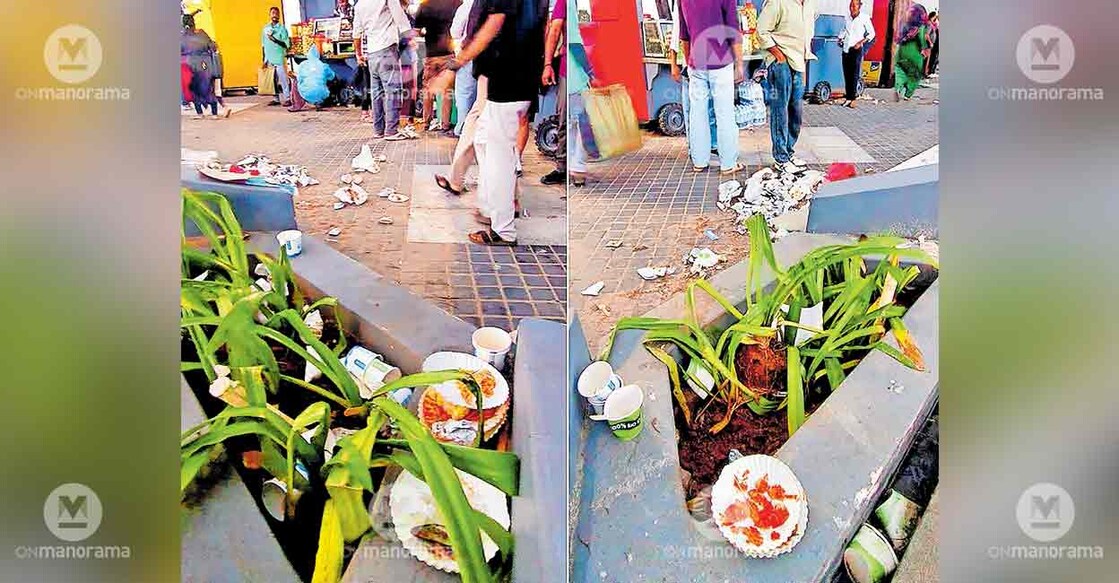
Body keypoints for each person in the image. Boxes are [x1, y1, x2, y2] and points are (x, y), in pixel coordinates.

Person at [430, 0, 547, 245]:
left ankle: (503, 230)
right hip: (514, 78)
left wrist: (454, 66)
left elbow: (493, 24)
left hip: (509, 80)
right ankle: (489, 208)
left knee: (498, 159)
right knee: (484, 141)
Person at [678, 0, 744, 175]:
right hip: (720, 63)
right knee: (724, 114)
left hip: (696, 63)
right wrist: (739, 64)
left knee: (697, 113)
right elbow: (733, 30)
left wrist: (689, 60)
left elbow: (684, 34)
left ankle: (699, 162)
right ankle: (728, 164)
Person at [756, 0, 817, 175]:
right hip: (781, 62)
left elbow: (807, 37)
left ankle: (789, 152)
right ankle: (781, 158)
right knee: (780, 110)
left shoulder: (809, 5)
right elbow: (761, 31)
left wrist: (804, 65)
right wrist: (778, 55)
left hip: (799, 63)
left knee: (796, 110)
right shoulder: (778, 2)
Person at [354, 0, 414, 140]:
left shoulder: (359, 5)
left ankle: (378, 130)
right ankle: (391, 131)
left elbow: (356, 34)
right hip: (387, 49)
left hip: (372, 53)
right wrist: (410, 39)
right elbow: (401, 19)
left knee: (376, 93)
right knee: (393, 91)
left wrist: (359, 54)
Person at [668, 0, 717, 157]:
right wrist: (675, 64)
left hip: (704, 63)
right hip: (692, 66)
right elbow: (678, 35)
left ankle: (711, 145)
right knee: (693, 110)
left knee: (708, 108)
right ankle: (695, 148)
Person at [415, 0, 461, 131]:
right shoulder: (455, 3)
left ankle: (425, 123)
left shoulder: (424, 5)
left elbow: (417, 31)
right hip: (448, 53)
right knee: (447, 91)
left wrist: (426, 32)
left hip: (431, 54)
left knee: (427, 89)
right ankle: (445, 124)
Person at [539, 0, 566, 185]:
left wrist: (548, 64)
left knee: (571, 117)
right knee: (567, 116)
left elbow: (555, 30)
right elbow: (554, 30)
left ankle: (568, 166)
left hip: (583, 66)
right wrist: (548, 64)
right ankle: (566, 166)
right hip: (575, 66)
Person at [181, 13, 229, 118]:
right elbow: (212, 46)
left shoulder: (181, 36)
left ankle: (200, 113)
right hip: (204, 64)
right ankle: (214, 113)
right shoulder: (201, 33)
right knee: (207, 87)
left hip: (188, 64)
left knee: (194, 89)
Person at [838, 0, 873, 108]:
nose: (852, 7)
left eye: (854, 5)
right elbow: (844, 30)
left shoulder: (864, 18)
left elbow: (871, 33)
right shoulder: (847, 18)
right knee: (847, 74)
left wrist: (860, 42)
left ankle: (853, 99)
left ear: (859, 6)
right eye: (851, 5)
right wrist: (840, 38)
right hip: (846, 48)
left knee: (854, 74)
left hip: (856, 49)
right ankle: (848, 98)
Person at [450, 0, 477, 136]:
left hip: (467, 56)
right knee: (482, 96)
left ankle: (463, 129)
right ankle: (477, 130)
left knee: (465, 94)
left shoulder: (465, 7)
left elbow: (455, 32)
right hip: (488, 56)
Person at [893, 3, 930, 101]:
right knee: (914, 75)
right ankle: (908, 95)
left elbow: (897, 37)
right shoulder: (920, 26)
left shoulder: (904, 23)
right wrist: (924, 48)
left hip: (901, 51)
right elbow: (921, 37)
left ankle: (898, 88)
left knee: (900, 71)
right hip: (914, 53)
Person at [262, 6, 292, 106]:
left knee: (283, 79)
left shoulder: (282, 29)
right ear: (269, 15)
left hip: (279, 57)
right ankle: (276, 98)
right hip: (269, 57)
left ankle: (287, 98)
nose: (274, 15)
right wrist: (264, 59)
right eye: (272, 13)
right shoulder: (265, 29)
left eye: (276, 13)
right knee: (272, 79)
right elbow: (263, 45)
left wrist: (275, 40)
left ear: (279, 15)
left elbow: (286, 44)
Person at [926, 10, 939, 77]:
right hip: (929, 43)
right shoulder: (929, 24)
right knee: (928, 58)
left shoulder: (932, 24)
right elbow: (927, 34)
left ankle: (928, 72)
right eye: (935, 16)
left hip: (933, 43)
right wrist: (930, 42)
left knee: (931, 58)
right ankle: (926, 72)